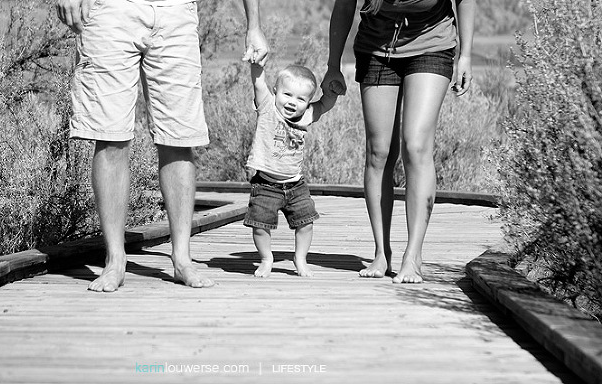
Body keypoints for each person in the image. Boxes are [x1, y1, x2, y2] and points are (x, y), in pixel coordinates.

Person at [55, 0, 270, 292]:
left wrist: (254, 25)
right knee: (111, 137)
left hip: (176, 12)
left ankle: (182, 259)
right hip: (110, 10)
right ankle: (115, 260)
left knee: (180, 139)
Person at [322, 0, 475, 283]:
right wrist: (333, 65)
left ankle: (413, 256)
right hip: (376, 49)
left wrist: (465, 55)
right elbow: (344, 6)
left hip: (432, 45)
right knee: (378, 152)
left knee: (416, 146)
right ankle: (381, 252)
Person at [242, 61, 338, 278]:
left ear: (307, 102)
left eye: (301, 98)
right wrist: (257, 64)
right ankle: (266, 258)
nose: (292, 102)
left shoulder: (305, 117)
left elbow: (324, 105)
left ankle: (300, 258)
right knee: (259, 225)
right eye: (287, 94)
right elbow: (258, 83)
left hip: (296, 185)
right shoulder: (267, 108)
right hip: (266, 184)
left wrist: (333, 92)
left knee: (306, 222)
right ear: (275, 92)